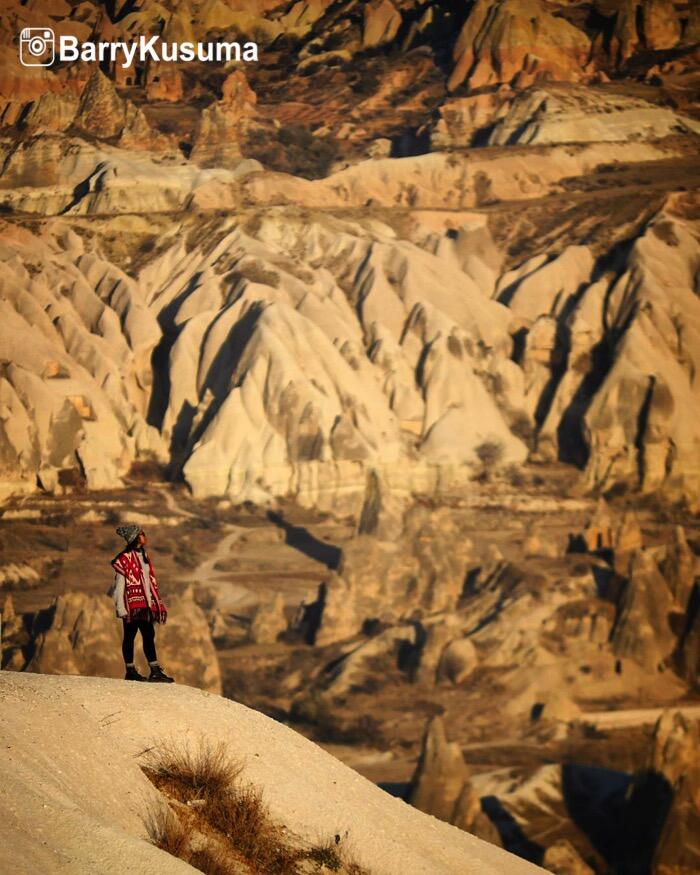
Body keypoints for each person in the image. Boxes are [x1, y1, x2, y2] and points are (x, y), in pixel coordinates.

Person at [111, 524, 174, 683]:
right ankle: (131, 670)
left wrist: (154, 602)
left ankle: (154, 670)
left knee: (148, 635)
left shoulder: (144, 555)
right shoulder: (123, 559)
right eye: (142, 534)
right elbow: (119, 585)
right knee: (130, 636)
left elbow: (148, 582)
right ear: (135, 538)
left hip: (145, 605)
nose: (145, 536)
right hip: (132, 606)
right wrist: (120, 607)